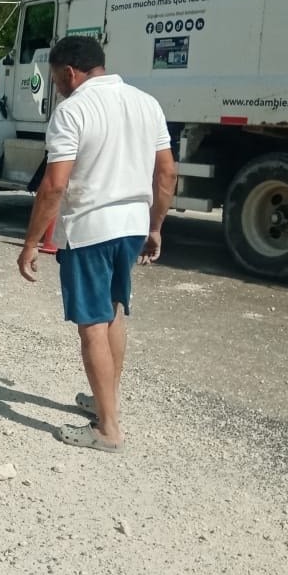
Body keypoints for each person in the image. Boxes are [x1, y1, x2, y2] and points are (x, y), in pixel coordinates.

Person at [17, 35, 176, 454]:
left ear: (70, 72)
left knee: (92, 325)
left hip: (90, 229)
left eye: (55, 78)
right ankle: (105, 402)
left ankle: (108, 429)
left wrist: (31, 242)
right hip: (132, 225)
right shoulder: (147, 103)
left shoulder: (73, 111)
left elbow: (53, 187)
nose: (56, 87)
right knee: (114, 314)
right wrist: (155, 226)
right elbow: (167, 176)